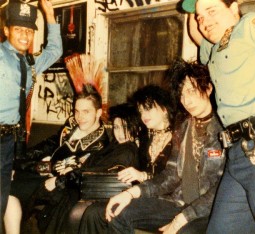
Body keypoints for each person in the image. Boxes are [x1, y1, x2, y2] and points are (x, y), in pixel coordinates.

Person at [181, 0, 255, 232]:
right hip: (236, 155)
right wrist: (193, 10)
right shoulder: (213, 47)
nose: (203, 20)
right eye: (199, 16)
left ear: (234, 8)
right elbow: (196, 32)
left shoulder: (253, 25)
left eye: (212, 10)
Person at [78, 59, 226, 234]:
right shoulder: (184, 127)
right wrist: (131, 193)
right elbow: (170, 175)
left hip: (210, 210)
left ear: (208, 88)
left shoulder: (225, 127)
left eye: (191, 91)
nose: (186, 99)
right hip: (177, 202)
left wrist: (182, 218)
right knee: (118, 211)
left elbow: (222, 188)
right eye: (181, 93)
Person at [6, 84, 109, 234]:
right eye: (77, 111)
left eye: (86, 112)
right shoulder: (72, 124)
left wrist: (24, 166)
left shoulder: (100, 144)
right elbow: (49, 144)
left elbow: (64, 170)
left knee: (9, 188)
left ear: (99, 112)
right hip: (44, 171)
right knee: (6, 180)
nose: (80, 117)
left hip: (61, 186)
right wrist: (17, 161)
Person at [0, 0, 62, 224]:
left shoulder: (30, 63)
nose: (25, 35)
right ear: (6, 30)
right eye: (18, 29)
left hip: (10, 144)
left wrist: (50, 16)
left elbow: (55, 50)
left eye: (29, 30)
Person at [50, 102, 141, 234]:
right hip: (98, 188)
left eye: (124, 127)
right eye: (116, 127)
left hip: (108, 191)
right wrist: (77, 165)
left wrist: (74, 171)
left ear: (135, 127)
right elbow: (98, 162)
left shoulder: (128, 149)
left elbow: (105, 169)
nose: (119, 133)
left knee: (73, 209)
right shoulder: (117, 145)